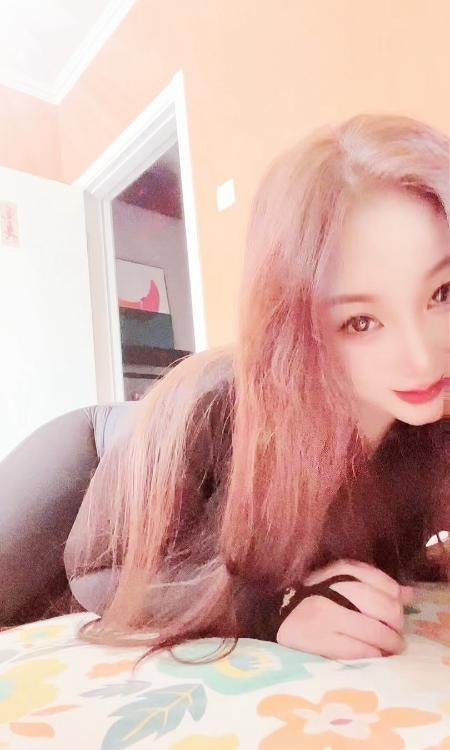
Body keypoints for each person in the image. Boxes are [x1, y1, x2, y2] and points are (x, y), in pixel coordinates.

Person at [65, 113, 450, 661]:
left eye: (442, 292)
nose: (423, 357)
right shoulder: (215, 405)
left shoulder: (428, 420)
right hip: (97, 452)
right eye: (361, 321)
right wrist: (274, 610)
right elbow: (95, 567)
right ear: (295, 323)